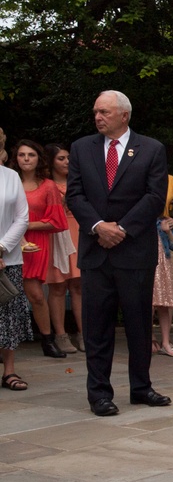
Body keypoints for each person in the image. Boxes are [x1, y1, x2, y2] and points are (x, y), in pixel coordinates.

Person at [66, 91, 171, 417]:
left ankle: (141, 388)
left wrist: (122, 229)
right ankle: (99, 394)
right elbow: (75, 194)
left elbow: (155, 197)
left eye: (105, 112)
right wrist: (99, 226)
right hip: (96, 252)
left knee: (140, 326)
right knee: (96, 327)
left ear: (124, 115)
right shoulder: (81, 148)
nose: (98, 117)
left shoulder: (151, 149)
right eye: (95, 112)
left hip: (134, 251)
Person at [10, 140, 68, 359]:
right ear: (15, 158)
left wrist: (24, 225)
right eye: (22, 155)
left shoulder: (48, 186)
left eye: (31, 155)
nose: (26, 159)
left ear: (39, 159)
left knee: (35, 294)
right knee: (5, 294)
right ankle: (6, 342)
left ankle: (47, 340)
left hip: (35, 245)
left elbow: (58, 222)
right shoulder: (8, 182)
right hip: (8, 243)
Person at [44, 143, 83, 354]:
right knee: (58, 285)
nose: (66, 162)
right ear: (51, 161)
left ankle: (84, 332)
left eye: (68, 158)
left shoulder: (77, 180)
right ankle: (60, 334)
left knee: (79, 285)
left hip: (78, 229)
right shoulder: (46, 184)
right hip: (56, 233)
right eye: (61, 158)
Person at [0, 163, 33, 391]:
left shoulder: (11, 176)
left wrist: (1, 247)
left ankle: (9, 371)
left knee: (8, 315)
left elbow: (22, 218)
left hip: (8, 257)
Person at [151, 216, 173, 356]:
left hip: (163, 266)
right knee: (147, 305)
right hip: (148, 265)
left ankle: (165, 342)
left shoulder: (163, 222)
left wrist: (168, 231)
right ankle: (148, 340)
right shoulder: (139, 222)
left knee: (164, 305)